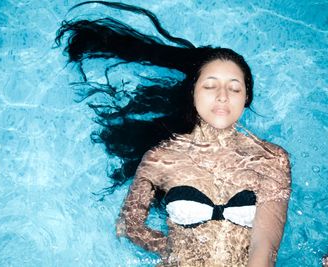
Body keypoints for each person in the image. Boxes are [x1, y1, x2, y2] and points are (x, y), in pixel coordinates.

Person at [55, 2, 291, 266]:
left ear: (246, 97)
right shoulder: (160, 158)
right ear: (192, 94)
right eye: (210, 86)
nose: (223, 96)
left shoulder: (271, 159)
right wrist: (174, 250)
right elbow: (129, 225)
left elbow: (265, 245)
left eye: (234, 88)